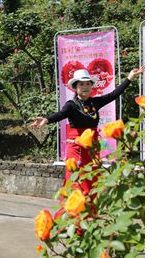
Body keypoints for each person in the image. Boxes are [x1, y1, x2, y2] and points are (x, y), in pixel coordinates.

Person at [30, 66, 144, 196]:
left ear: (91, 86)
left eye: (88, 84)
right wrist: (47, 120)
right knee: (76, 178)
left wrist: (130, 77)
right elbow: (61, 114)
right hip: (76, 146)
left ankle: (91, 211)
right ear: (76, 87)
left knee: (92, 177)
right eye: (81, 84)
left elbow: (114, 94)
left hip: (91, 148)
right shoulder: (71, 105)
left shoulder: (94, 103)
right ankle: (75, 211)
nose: (85, 87)